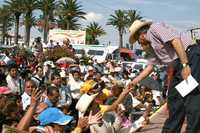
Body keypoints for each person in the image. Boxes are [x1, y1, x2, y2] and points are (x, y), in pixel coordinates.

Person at [128, 20, 200, 133]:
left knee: (192, 101)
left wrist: (185, 65)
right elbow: (150, 66)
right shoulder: (152, 47)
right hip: (178, 65)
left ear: (141, 35)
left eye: (138, 40)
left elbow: (176, 41)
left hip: (189, 57)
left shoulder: (155, 28)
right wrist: (135, 81)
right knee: (175, 102)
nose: (139, 43)